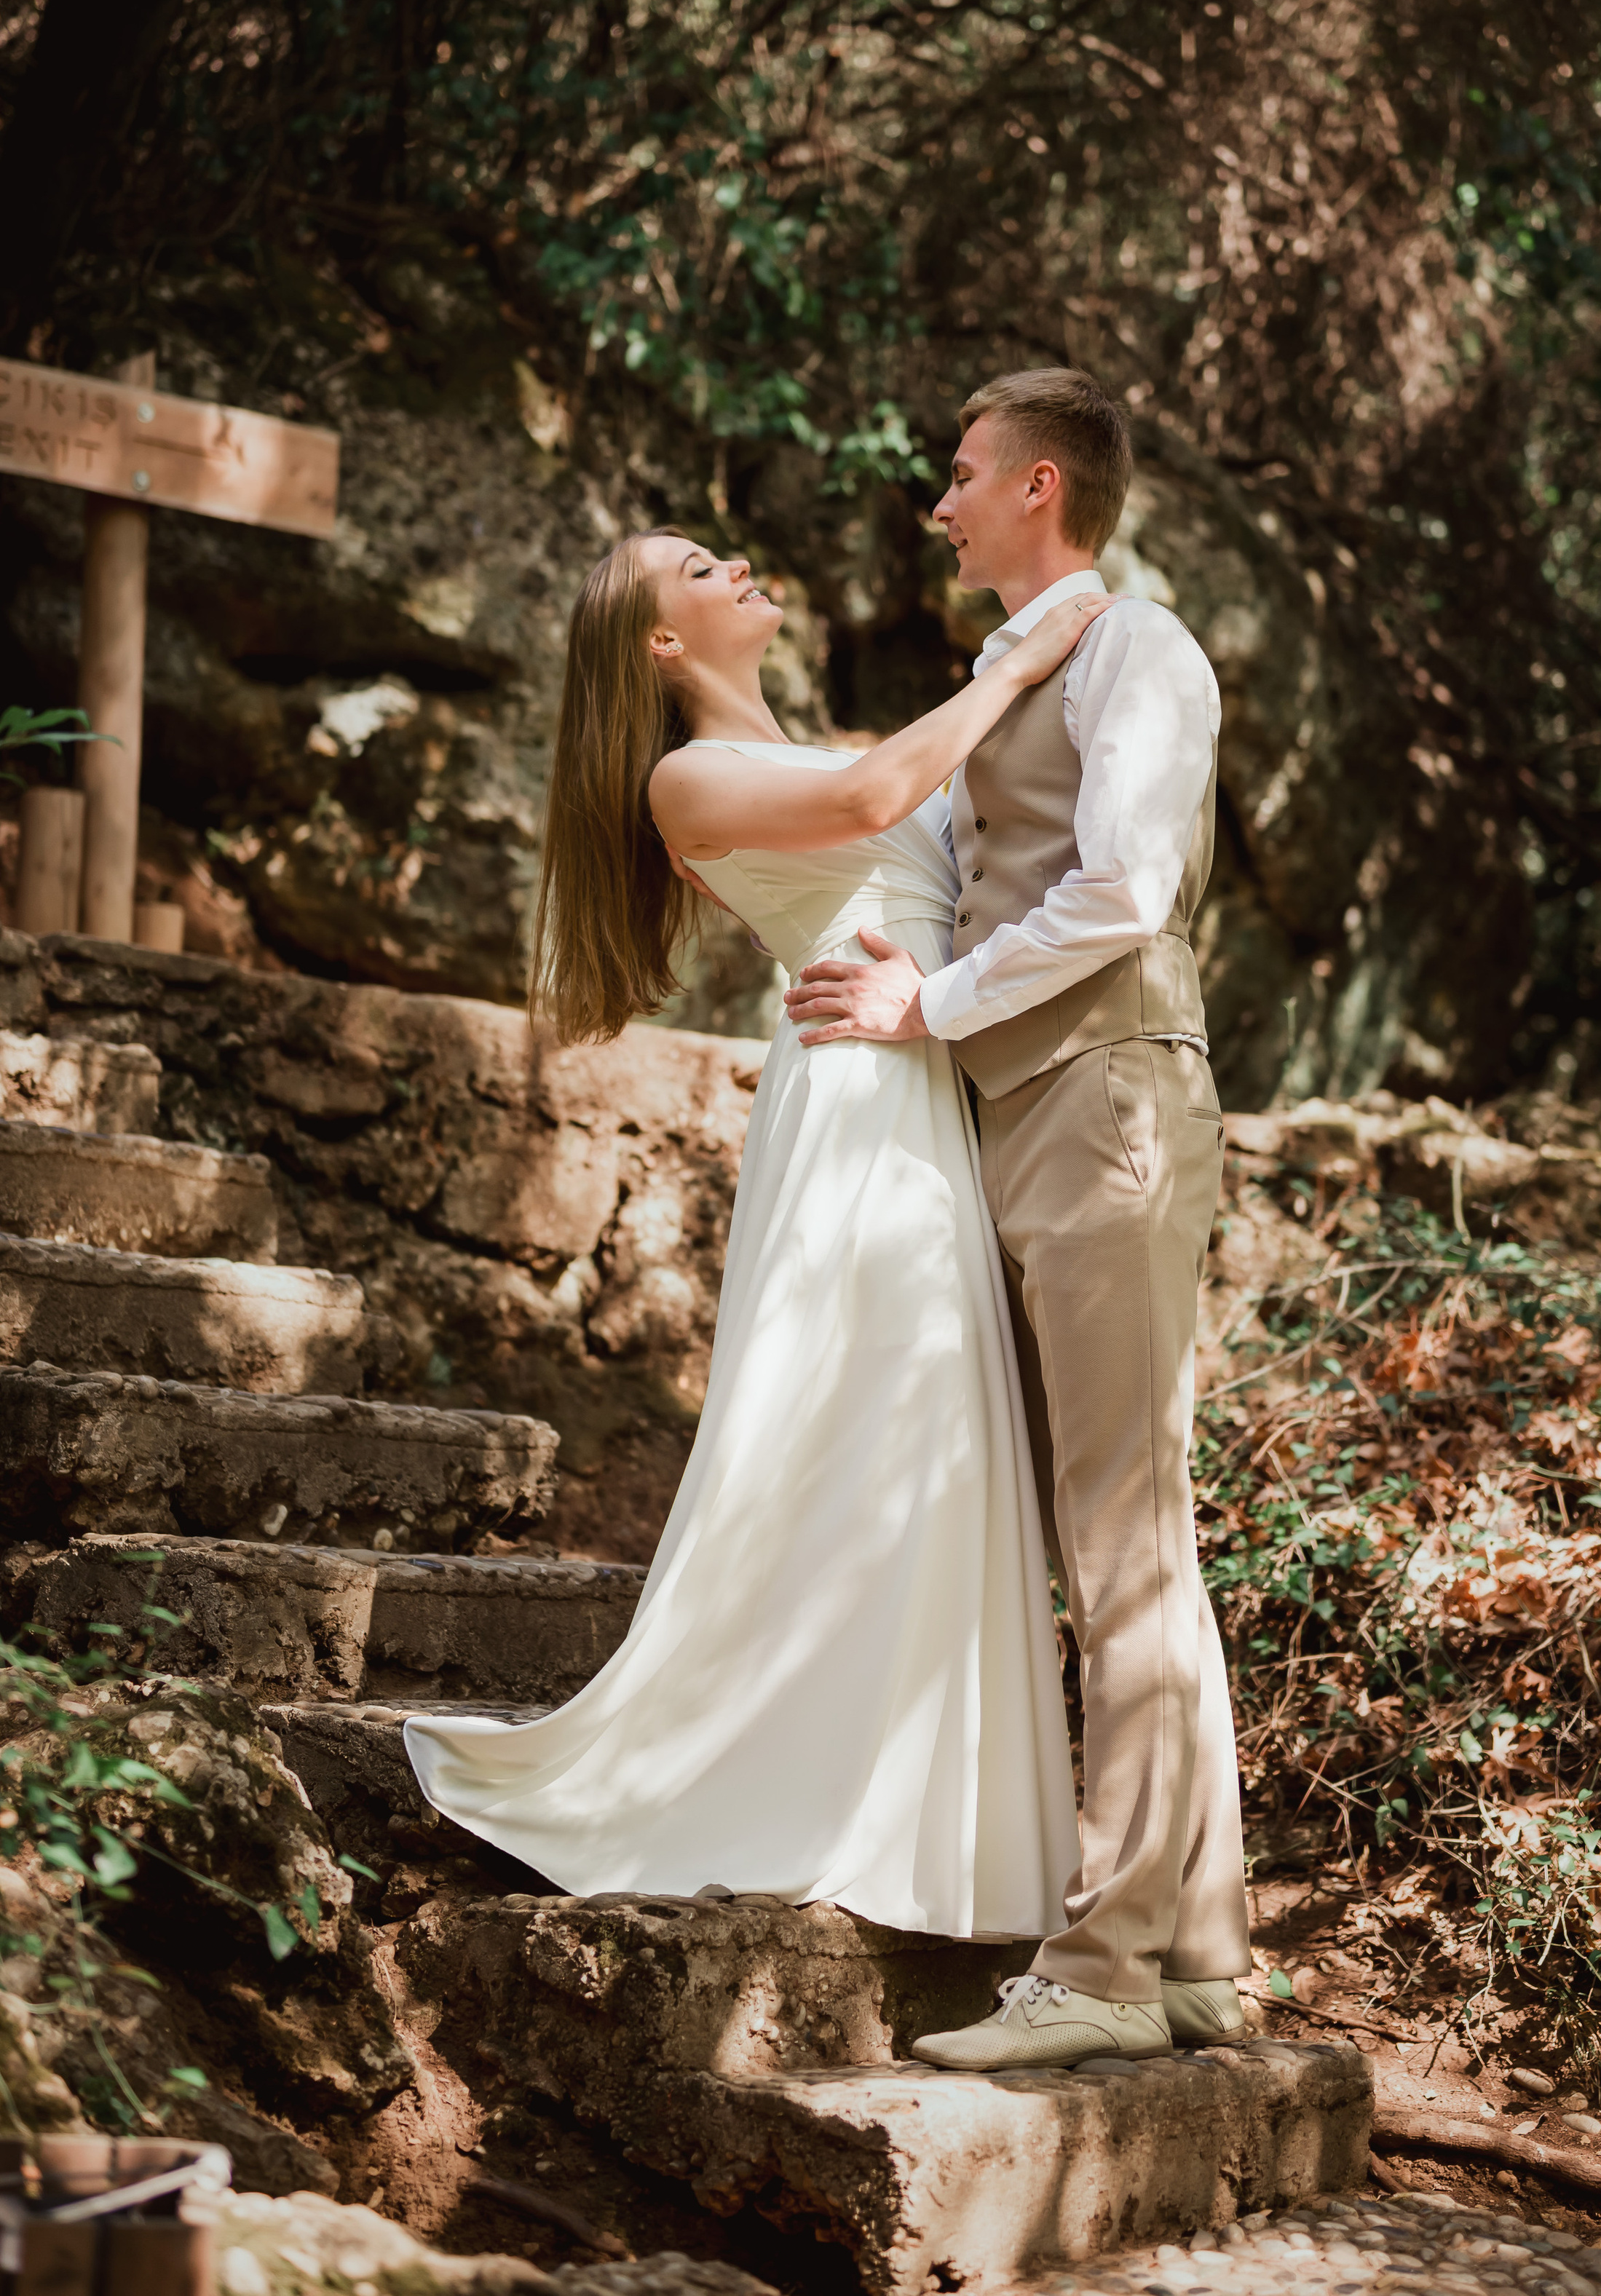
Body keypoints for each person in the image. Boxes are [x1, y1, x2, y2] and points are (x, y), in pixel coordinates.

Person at [402, 527, 1105, 1938]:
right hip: (853, 1112)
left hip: (920, 1081)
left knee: (927, 1444)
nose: (735, 567)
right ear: (660, 645)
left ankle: (917, 1819)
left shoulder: (813, 741)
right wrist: (1024, 653)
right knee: (853, 1430)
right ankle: (775, 1792)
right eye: (698, 569)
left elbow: (936, 846)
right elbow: (870, 795)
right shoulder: (687, 778)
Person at [783, 368, 1255, 2070]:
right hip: (1032, 1112)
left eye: (961, 477)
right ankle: (1198, 1947)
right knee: (1120, 1537)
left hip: (1109, 1098)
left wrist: (936, 1004)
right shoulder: (1002, 675)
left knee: (1121, 1540)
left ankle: (1106, 1974)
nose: (939, 505)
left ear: (1041, 486)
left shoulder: (1143, 654)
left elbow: (1125, 889)